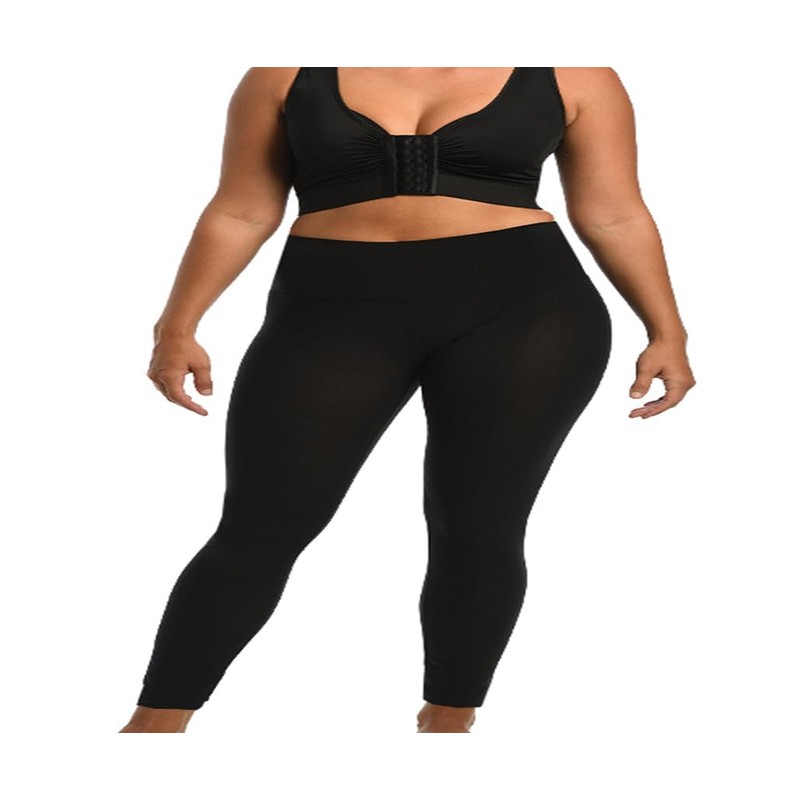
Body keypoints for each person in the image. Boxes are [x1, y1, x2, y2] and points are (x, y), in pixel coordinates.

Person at [119, 67, 696, 734]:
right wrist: (177, 325)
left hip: (524, 311)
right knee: (260, 525)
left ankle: (446, 724)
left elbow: (613, 211)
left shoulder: (572, 71)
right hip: (330, 311)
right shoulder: (285, 69)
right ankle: (152, 728)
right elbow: (242, 207)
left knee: (476, 525)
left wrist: (667, 331)